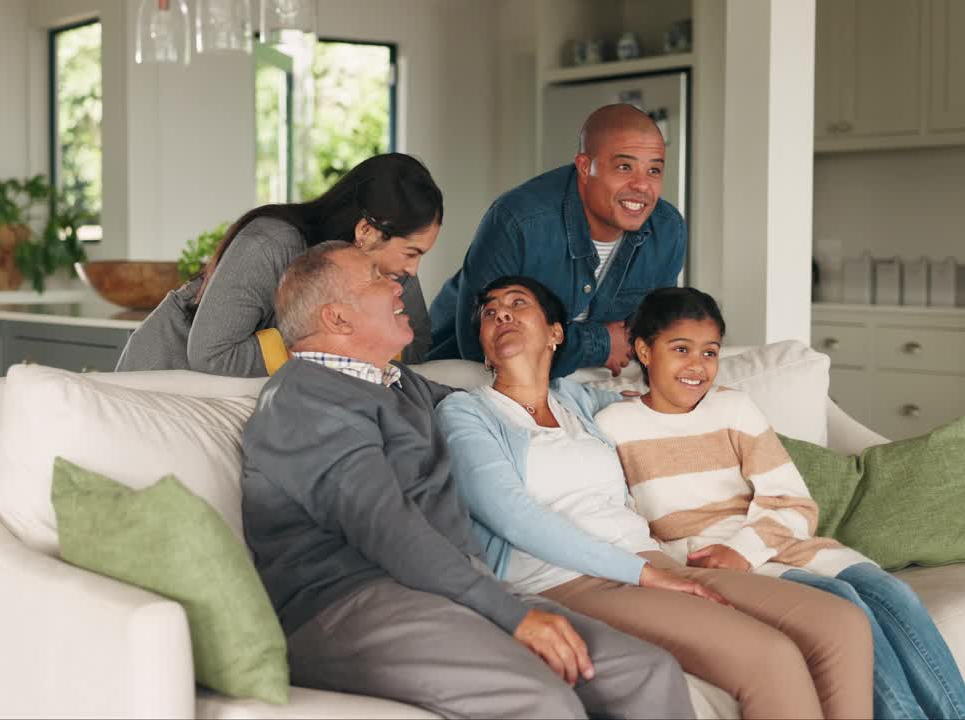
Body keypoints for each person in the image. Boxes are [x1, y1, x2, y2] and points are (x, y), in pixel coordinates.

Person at [238, 242, 697, 719]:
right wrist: (512, 615)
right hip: (351, 605)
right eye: (377, 277)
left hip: (446, 587)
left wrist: (630, 402)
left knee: (648, 672)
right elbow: (388, 530)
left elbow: (502, 407)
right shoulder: (306, 400)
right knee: (541, 701)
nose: (398, 284)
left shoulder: (396, 383)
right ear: (337, 319)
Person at [436, 276, 874, 720]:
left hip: (652, 561)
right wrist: (642, 574)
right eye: (489, 312)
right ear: (484, 344)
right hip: (566, 582)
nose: (501, 314)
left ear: (555, 333)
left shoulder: (581, 403)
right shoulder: (467, 413)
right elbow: (514, 519)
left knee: (843, 624)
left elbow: (656, 403)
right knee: (771, 657)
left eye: (517, 304)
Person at [594, 286, 965, 720]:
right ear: (644, 350)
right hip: (706, 562)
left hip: (778, 543)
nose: (697, 367)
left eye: (710, 352)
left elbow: (794, 500)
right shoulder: (614, 426)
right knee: (843, 604)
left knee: (894, 594)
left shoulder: (734, 408)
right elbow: (621, 521)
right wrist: (700, 561)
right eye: (680, 349)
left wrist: (743, 550)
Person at [116, 152, 441, 376]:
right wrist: (336, 348)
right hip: (161, 381)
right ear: (366, 231)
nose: (413, 270)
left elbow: (414, 343)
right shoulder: (271, 243)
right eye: (411, 253)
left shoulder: (392, 270)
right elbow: (212, 354)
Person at [427, 103, 686, 378]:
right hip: (467, 379)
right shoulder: (518, 221)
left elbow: (656, 333)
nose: (642, 186)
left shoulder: (667, 230)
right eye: (624, 167)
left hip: (583, 383)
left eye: (654, 171)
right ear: (585, 167)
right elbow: (481, 346)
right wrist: (600, 343)